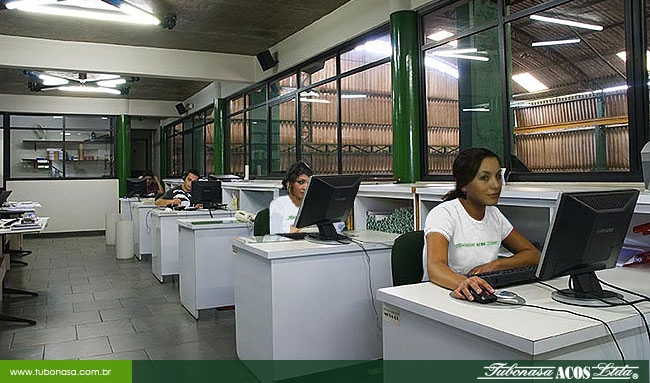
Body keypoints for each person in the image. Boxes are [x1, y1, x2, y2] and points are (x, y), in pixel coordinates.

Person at [422, 148, 540, 302]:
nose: (496, 185)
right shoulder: (444, 214)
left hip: (480, 292)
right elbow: (435, 267)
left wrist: (496, 265)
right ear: (464, 185)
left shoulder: (494, 215)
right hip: (442, 295)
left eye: (498, 177)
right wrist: (463, 282)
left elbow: (533, 254)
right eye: (485, 178)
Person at [269, 161, 312, 234]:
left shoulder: (313, 204)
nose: (305, 187)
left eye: (309, 183)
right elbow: (276, 232)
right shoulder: (278, 204)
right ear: (289, 184)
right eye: (301, 182)